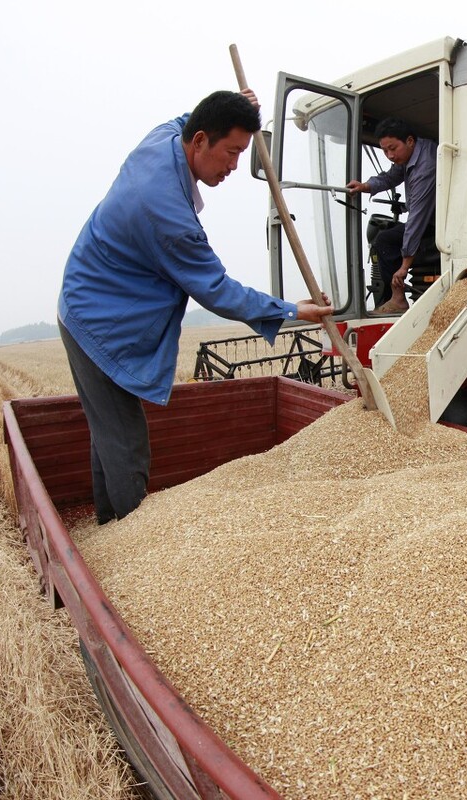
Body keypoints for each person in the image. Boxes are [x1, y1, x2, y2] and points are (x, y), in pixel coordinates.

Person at [57, 90, 333, 524]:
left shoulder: (166, 136)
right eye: (232, 152)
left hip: (94, 297)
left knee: (109, 430)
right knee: (126, 442)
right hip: (98, 319)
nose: (235, 166)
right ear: (200, 141)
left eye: (243, 152)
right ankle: (131, 538)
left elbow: (189, 116)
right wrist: (292, 310)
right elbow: (218, 291)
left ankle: (107, 525)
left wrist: (236, 105)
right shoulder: (166, 214)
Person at [345, 118, 438, 314]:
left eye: (393, 148)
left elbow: (417, 219)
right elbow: (391, 176)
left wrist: (404, 266)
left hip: (436, 225)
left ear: (410, 141)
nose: (390, 155)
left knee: (385, 241)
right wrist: (366, 186)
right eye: (385, 151)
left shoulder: (426, 166)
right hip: (427, 220)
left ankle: (395, 300)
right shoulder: (411, 155)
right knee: (390, 235)